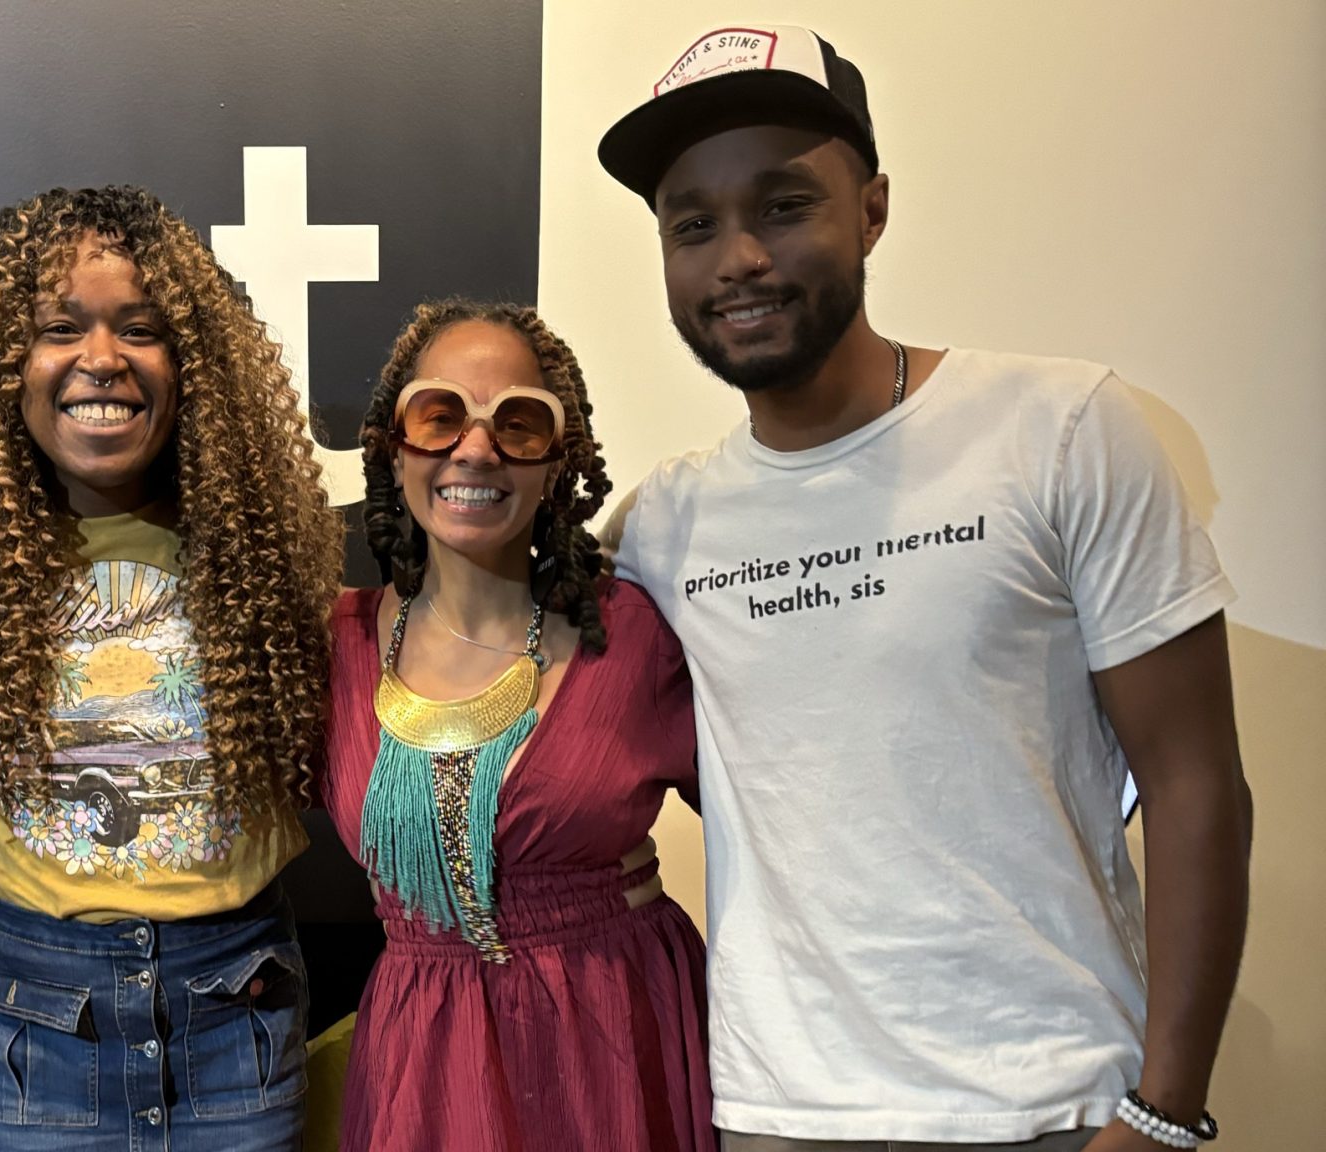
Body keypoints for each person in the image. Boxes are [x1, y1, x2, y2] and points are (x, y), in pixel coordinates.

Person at [597, 25, 1251, 1152]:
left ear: (873, 209)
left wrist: (1163, 1113)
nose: (737, 256)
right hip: (776, 1115)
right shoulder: (658, 526)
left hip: (1056, 1106)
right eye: (691, 226)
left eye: (783, 204)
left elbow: (1196, 790)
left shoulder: (1058, 430)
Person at [0, 185, 343, 1151]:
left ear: (193, 363)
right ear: (2, 365)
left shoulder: (259, 545)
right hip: (41, 1015)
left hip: (236, 1003)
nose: (101, 358)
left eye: (141, 327)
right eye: (58, 327)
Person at [316, 300, 711, 1152]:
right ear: (391, 443)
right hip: (422, 1064)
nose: (476, 448)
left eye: (519, 424)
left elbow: (778, 830)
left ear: (557, 460)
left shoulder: (638, 634)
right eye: (440, 415)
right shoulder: (334, 647)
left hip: (612, 1038)